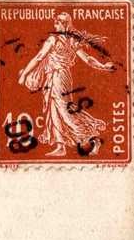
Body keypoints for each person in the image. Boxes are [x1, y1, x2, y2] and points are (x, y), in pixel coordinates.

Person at [17, 12, 116, 157]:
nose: (55, 24)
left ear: (63, 24)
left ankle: (92, 138)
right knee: (54, 109)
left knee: (63, 110)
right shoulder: (72, 40)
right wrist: (103, 66)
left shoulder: (54, 39)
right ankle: (60, 146)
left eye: (57, 22)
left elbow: (39, 57)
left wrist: (25, 74)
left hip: (58, 76)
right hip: (59, 76)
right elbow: (88, 59)